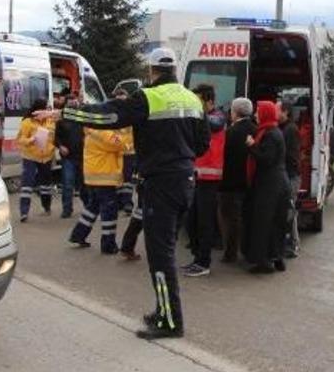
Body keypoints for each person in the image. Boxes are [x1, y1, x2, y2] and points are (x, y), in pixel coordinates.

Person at [36, 47, 209, 340]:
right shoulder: (192, 98)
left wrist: (64, 112)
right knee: (163, 250)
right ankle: (163, 311)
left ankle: (170, 321)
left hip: (161, 184)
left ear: (152, 70)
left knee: (160, 256)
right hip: (184, 182)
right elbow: (202, 145)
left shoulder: (148, 97)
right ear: (175, 69)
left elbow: (108, 116)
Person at [183, 84, 226, 278]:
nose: (195, 104)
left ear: (209, 101)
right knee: (191, 221)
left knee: (205, 222)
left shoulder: (218, 117)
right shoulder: (201, 117)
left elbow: (213, 123)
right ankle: (197, 258)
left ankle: (204, 262)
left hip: (211, 179)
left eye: (199, 100)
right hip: (198, 177)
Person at [245, 101, 291, 274]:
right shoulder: (272, 131)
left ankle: (264, 262)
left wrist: (251, 146)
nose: (255, 115)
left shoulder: (270, 134)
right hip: (276, 184)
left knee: (264, 223)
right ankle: (276, 257)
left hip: (270, 186)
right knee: (276, 223)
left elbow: (266, 159)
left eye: (258, 112)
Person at [68, 126, 127, 253]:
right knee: (109, 212)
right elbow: (120, 144)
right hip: (104, 178)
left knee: (92, 208)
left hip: (94, 177)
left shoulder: (92, 131)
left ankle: (78, 235)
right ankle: (108, 245)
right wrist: (123, 133)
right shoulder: (102, 133)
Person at [218, 98, 256, 263]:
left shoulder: (231, 132)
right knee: (244, 216)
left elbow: (223, 156)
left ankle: (230, 252)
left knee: (229, 218)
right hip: (248, 181)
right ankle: (245, 248)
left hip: (230, 182)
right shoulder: (255, 129)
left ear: (235, 112)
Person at [16, 98, 55, 222]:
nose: (45, 111)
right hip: (30, 156)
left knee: (45, 185)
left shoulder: (51, 121)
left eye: (46, 109)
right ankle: (24, 212)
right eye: (43, 109)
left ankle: (46, 206)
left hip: (46, 157)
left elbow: (55, 137)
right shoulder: (27, 122)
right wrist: (30, 140)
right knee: (27, 184)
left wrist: (54, 147)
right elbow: (20, 140)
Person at [55, 92, 86, 218]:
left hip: (83, 156)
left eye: (75, 101)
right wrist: (60, 146)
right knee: (68, 184)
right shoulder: (61, 122)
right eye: (70, 102)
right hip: (68, 158)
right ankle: (67, 209)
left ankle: (88, 207)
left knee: (84, 184)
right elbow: (56, 138)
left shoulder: (83, 119)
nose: (73, 103)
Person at [278, 101, 301, 259]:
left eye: (277, 110)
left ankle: (292, 244)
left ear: (285, 112)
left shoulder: (289, 130)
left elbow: (289, 156)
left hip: (290, 176)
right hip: (288, 175)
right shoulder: (285, 128)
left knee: (289, 211)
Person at [114, 88, 137, 216]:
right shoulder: (112, 115)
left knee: (127, 179)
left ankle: (127, 203)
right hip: (115, 152)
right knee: (117, 178)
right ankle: (119, 203)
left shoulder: (132, 114)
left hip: (129, 152)